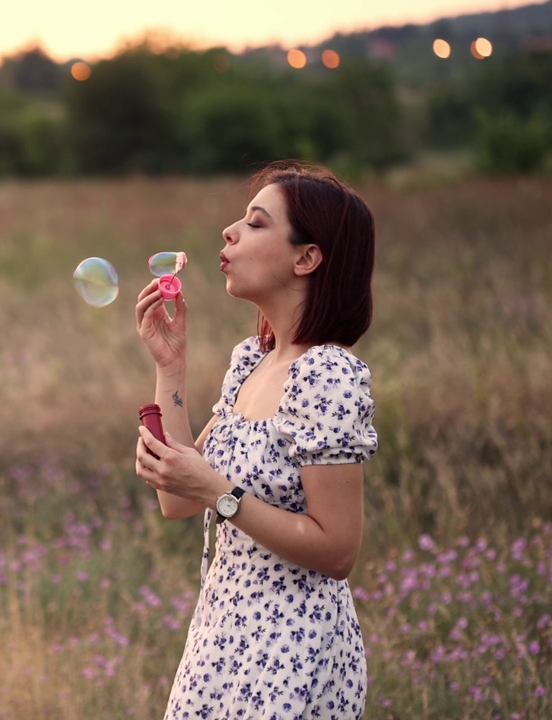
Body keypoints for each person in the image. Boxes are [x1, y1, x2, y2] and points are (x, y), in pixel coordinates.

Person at [134, 160, 378, 719]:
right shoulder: (252, 362)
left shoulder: (328, 375)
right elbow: (177, 500)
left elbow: (338, 550)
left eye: (257, 223)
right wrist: (171, 367)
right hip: (222, 637)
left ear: (307, 257)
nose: (230, 231)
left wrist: (218, 490)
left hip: (292, 649)